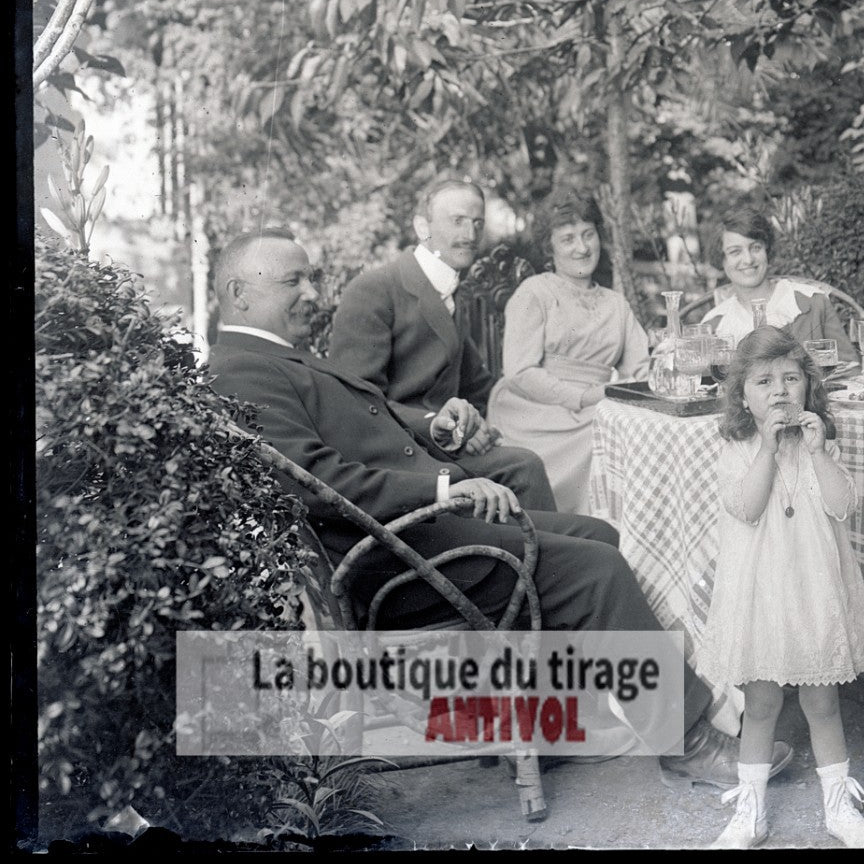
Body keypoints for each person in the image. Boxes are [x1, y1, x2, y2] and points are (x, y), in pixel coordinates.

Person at [208, 228, 794, 790]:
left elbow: (366, 416)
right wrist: (444, 486)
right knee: (597, 572)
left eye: (308, 278)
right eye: (295, 281)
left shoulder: (274, 356)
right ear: (241, 292)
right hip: (397, 558)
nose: (312, 292)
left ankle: (567, 717)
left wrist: (429, 426)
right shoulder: (242, 371)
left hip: (415, 533)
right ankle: (686, 742)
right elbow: (318, 481)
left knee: (602, 534)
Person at [698, 327, 864, 849]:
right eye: (764, 381)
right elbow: (747, 507)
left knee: (822, 703)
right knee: (760, 704)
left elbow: (843, 505)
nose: (779, 391)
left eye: (790, 378)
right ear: (742, 396)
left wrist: (820, 452)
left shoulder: (819, 441)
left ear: (808, 387)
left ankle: (838, 808)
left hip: (813, 589)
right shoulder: (736, 447)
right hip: (760, 593)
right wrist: (767, 449)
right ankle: (750, 812)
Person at [329, 177, 555, 512]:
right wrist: (442, 425)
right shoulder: (375, 288)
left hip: (445, 442)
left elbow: (476, 383)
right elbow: (358, 403)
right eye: (457, 221)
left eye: (477, 223)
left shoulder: (449, 288)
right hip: (397, 455)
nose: (470, 234)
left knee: (545, 445)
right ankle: (545, 556)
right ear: (423, 227)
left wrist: (477, 423)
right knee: (525, 467)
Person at [488, 190, 651, 515]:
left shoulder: (614, 303)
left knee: (641, 428)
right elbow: (520, 372)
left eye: (588, 235)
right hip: (535, 411)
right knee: (613, 430)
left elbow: (642, 369)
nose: (582, 247)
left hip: (596, 407)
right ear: (550, 248)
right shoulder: (535, 292)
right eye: (568, 239)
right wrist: (583, 397)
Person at [698, 208, 859, 364]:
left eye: (756, 248)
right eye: (735, 252)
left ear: (767, 251)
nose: (748, 260)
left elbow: (850, 370)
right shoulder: (714, 325)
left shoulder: (812, 302)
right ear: (722, 259)